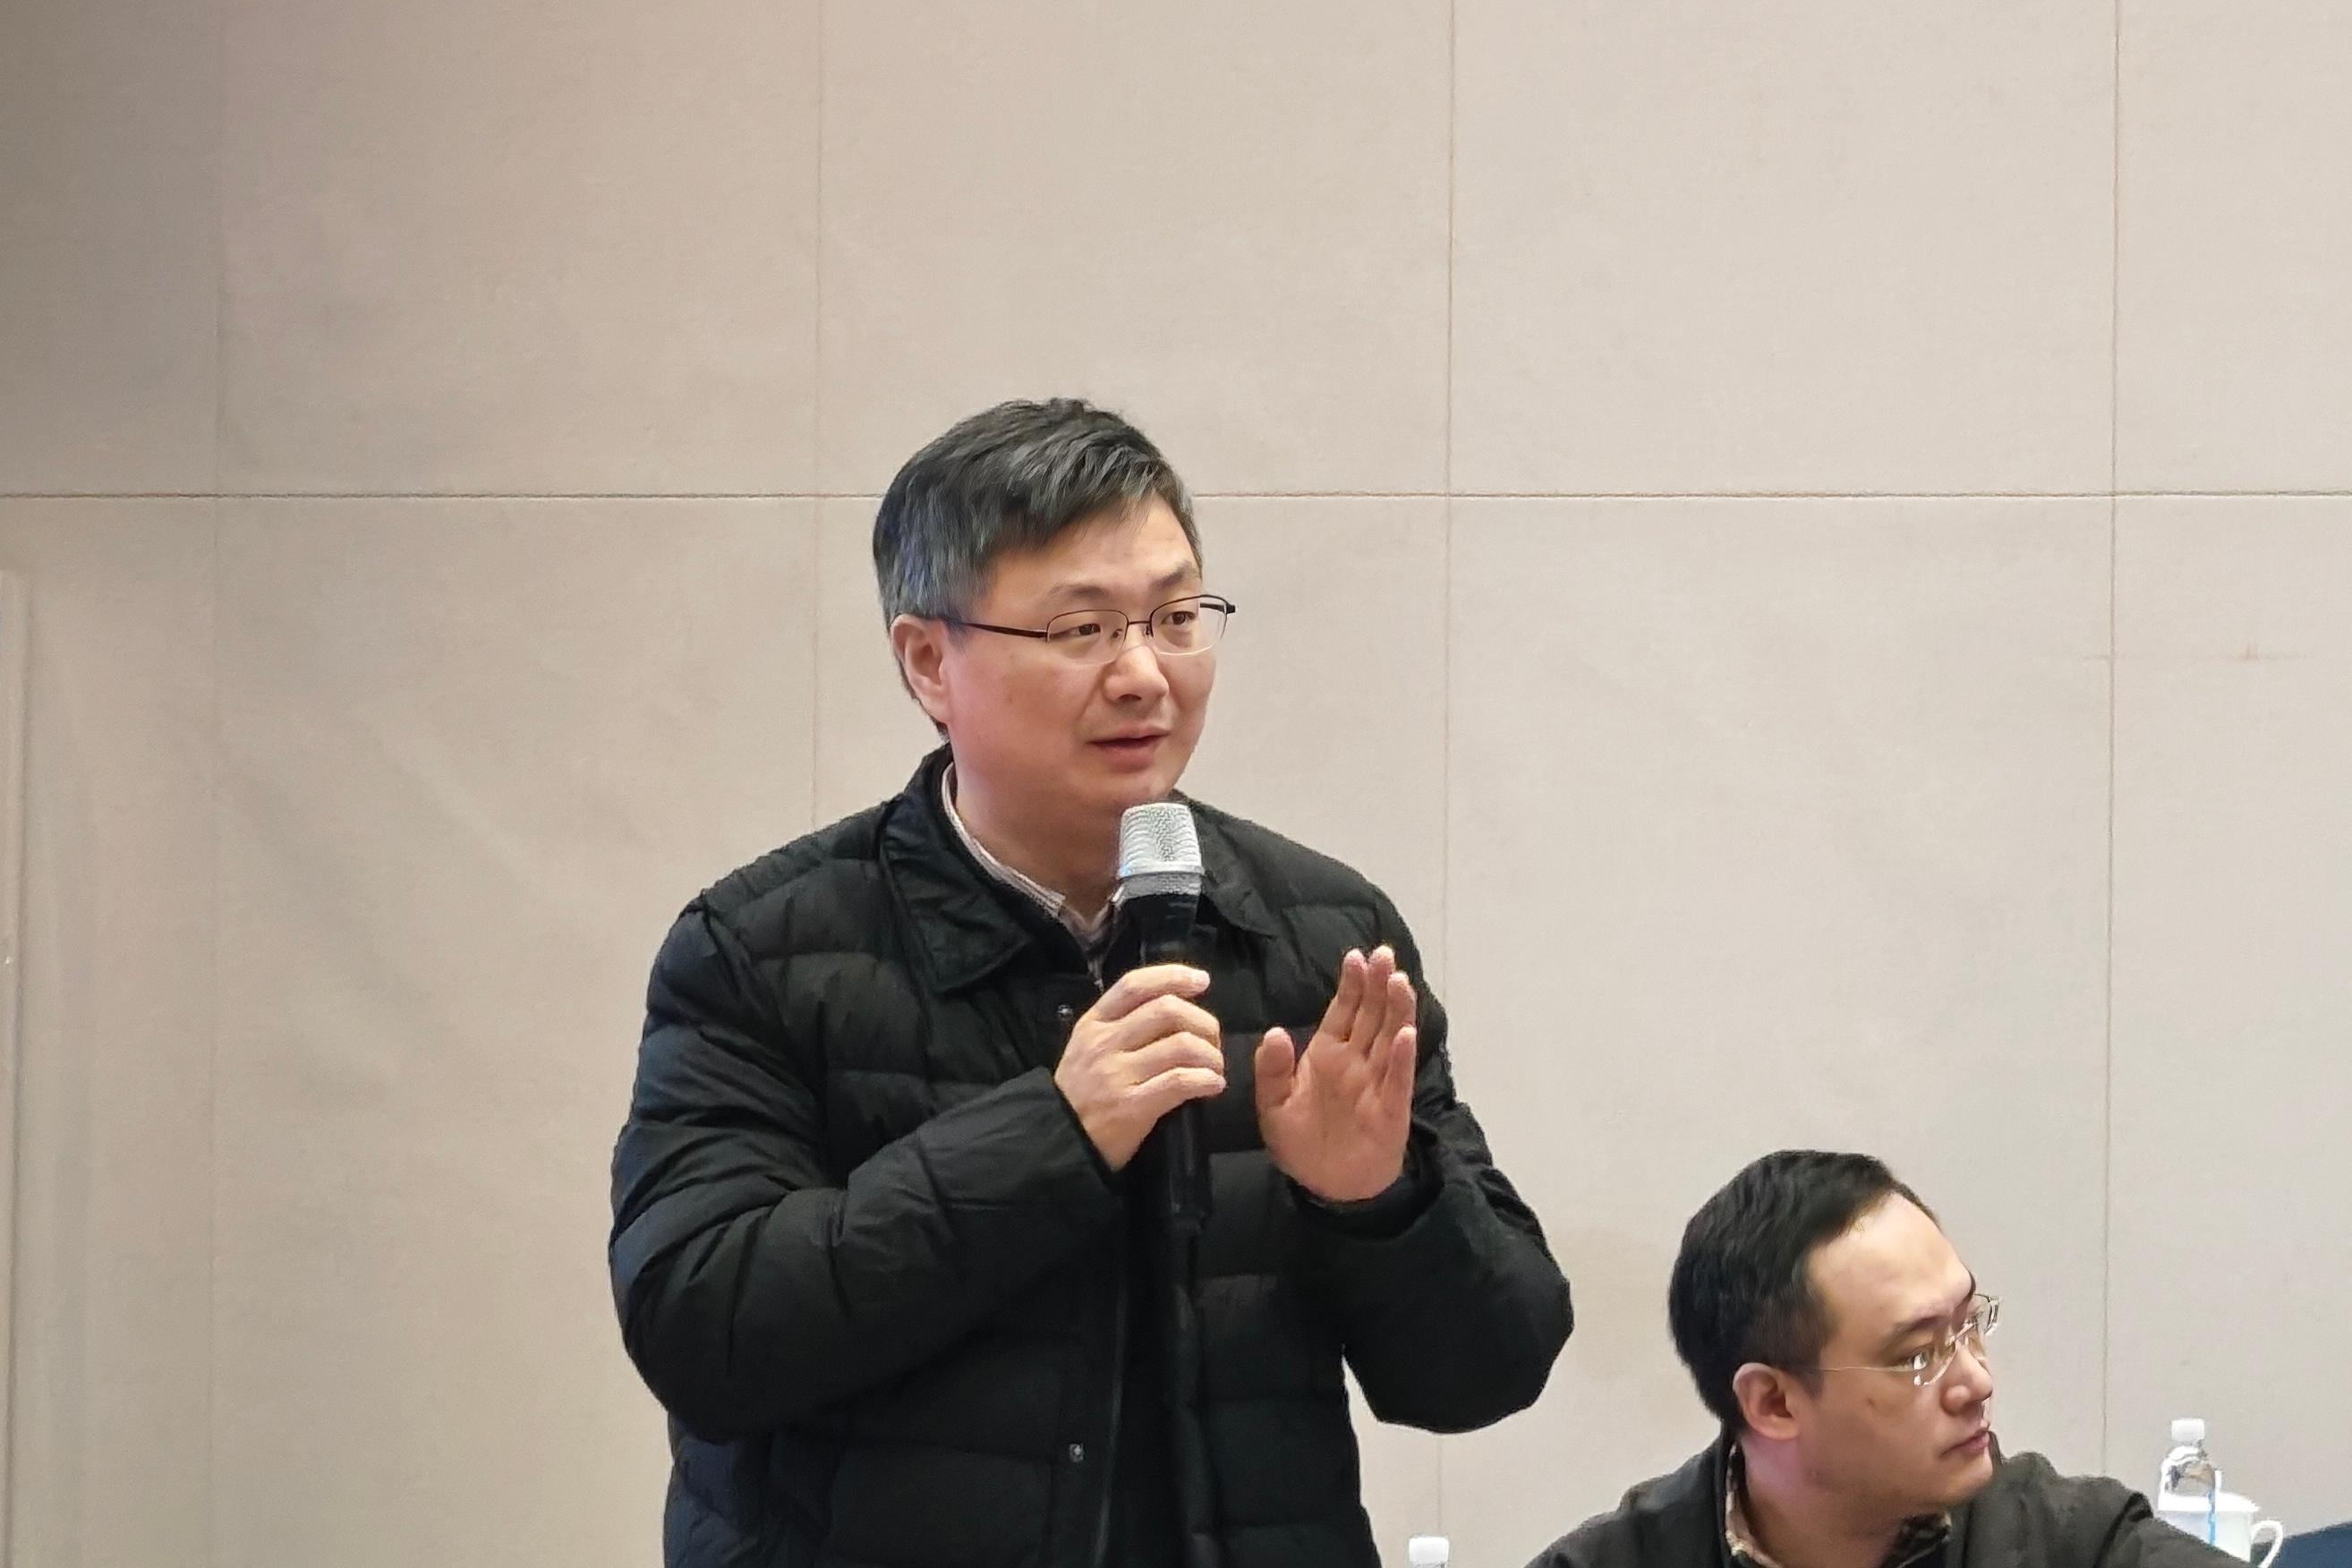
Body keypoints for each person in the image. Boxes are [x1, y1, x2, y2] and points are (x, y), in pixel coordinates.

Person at [610, 398, 1572, 1568]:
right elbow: (703, 1330)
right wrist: (1054, 1135)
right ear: (928, 661)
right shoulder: (760, 950)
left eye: (1176, 618)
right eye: (1082, 629)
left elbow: (1490, 1370)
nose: (1144, 675)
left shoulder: (1322, 936)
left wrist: (1378, 1204)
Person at [1526, 1150, 2233, 1568]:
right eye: (1917, 1356)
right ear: (1773, 1402)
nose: (1976, 1380)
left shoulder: (2070, 1543)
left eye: (1969, 1325)